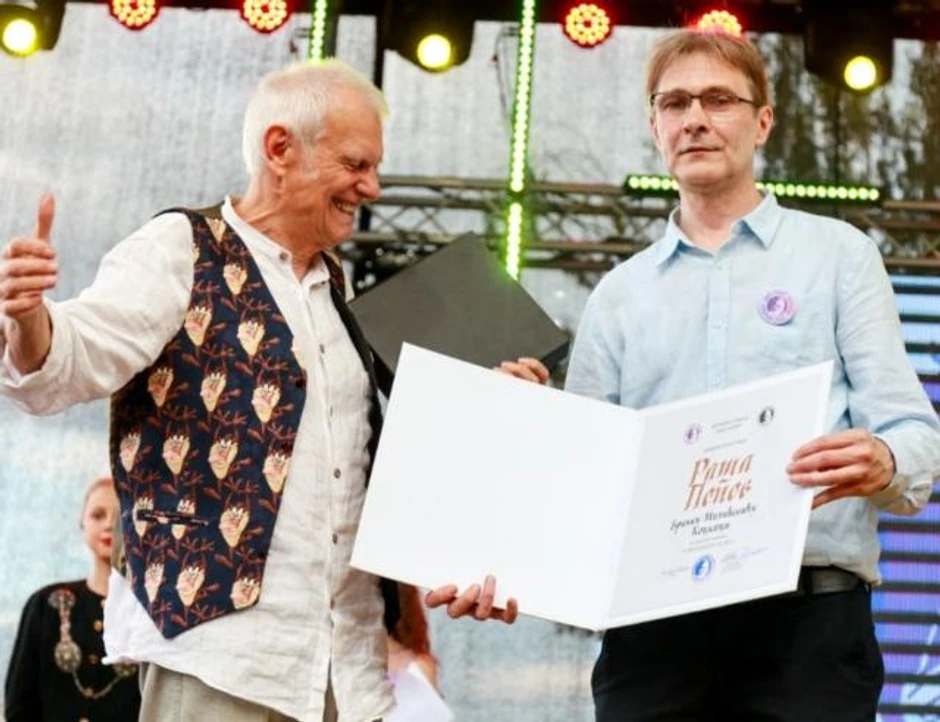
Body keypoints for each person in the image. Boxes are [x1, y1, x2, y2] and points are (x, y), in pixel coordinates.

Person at [0, 60, 541, 722]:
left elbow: (363, 472)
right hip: (223, 661)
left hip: (349, 673)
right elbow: (69, 362)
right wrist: (28, 318)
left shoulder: (338, 292)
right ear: (280, 148)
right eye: (355, 164)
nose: (371, 187)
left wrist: (482, 473)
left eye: (374, 168)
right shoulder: (181, 247)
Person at [562, 28, 940, 721]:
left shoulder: (839, 257)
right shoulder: (618, 295)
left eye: (718, 100)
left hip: (810, 631)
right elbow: (583, 474)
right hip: (654, 637)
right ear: (654, 126)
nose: (695, 119)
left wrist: (884, 459)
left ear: (763, 122)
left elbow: (915, 433)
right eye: (675, 103)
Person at [4, 477, 141, 721]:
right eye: (97, 515)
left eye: (121, 516)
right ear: (82, 524)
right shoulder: (45, 604)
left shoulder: (150, 616)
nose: (109, 524)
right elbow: (19, 704)